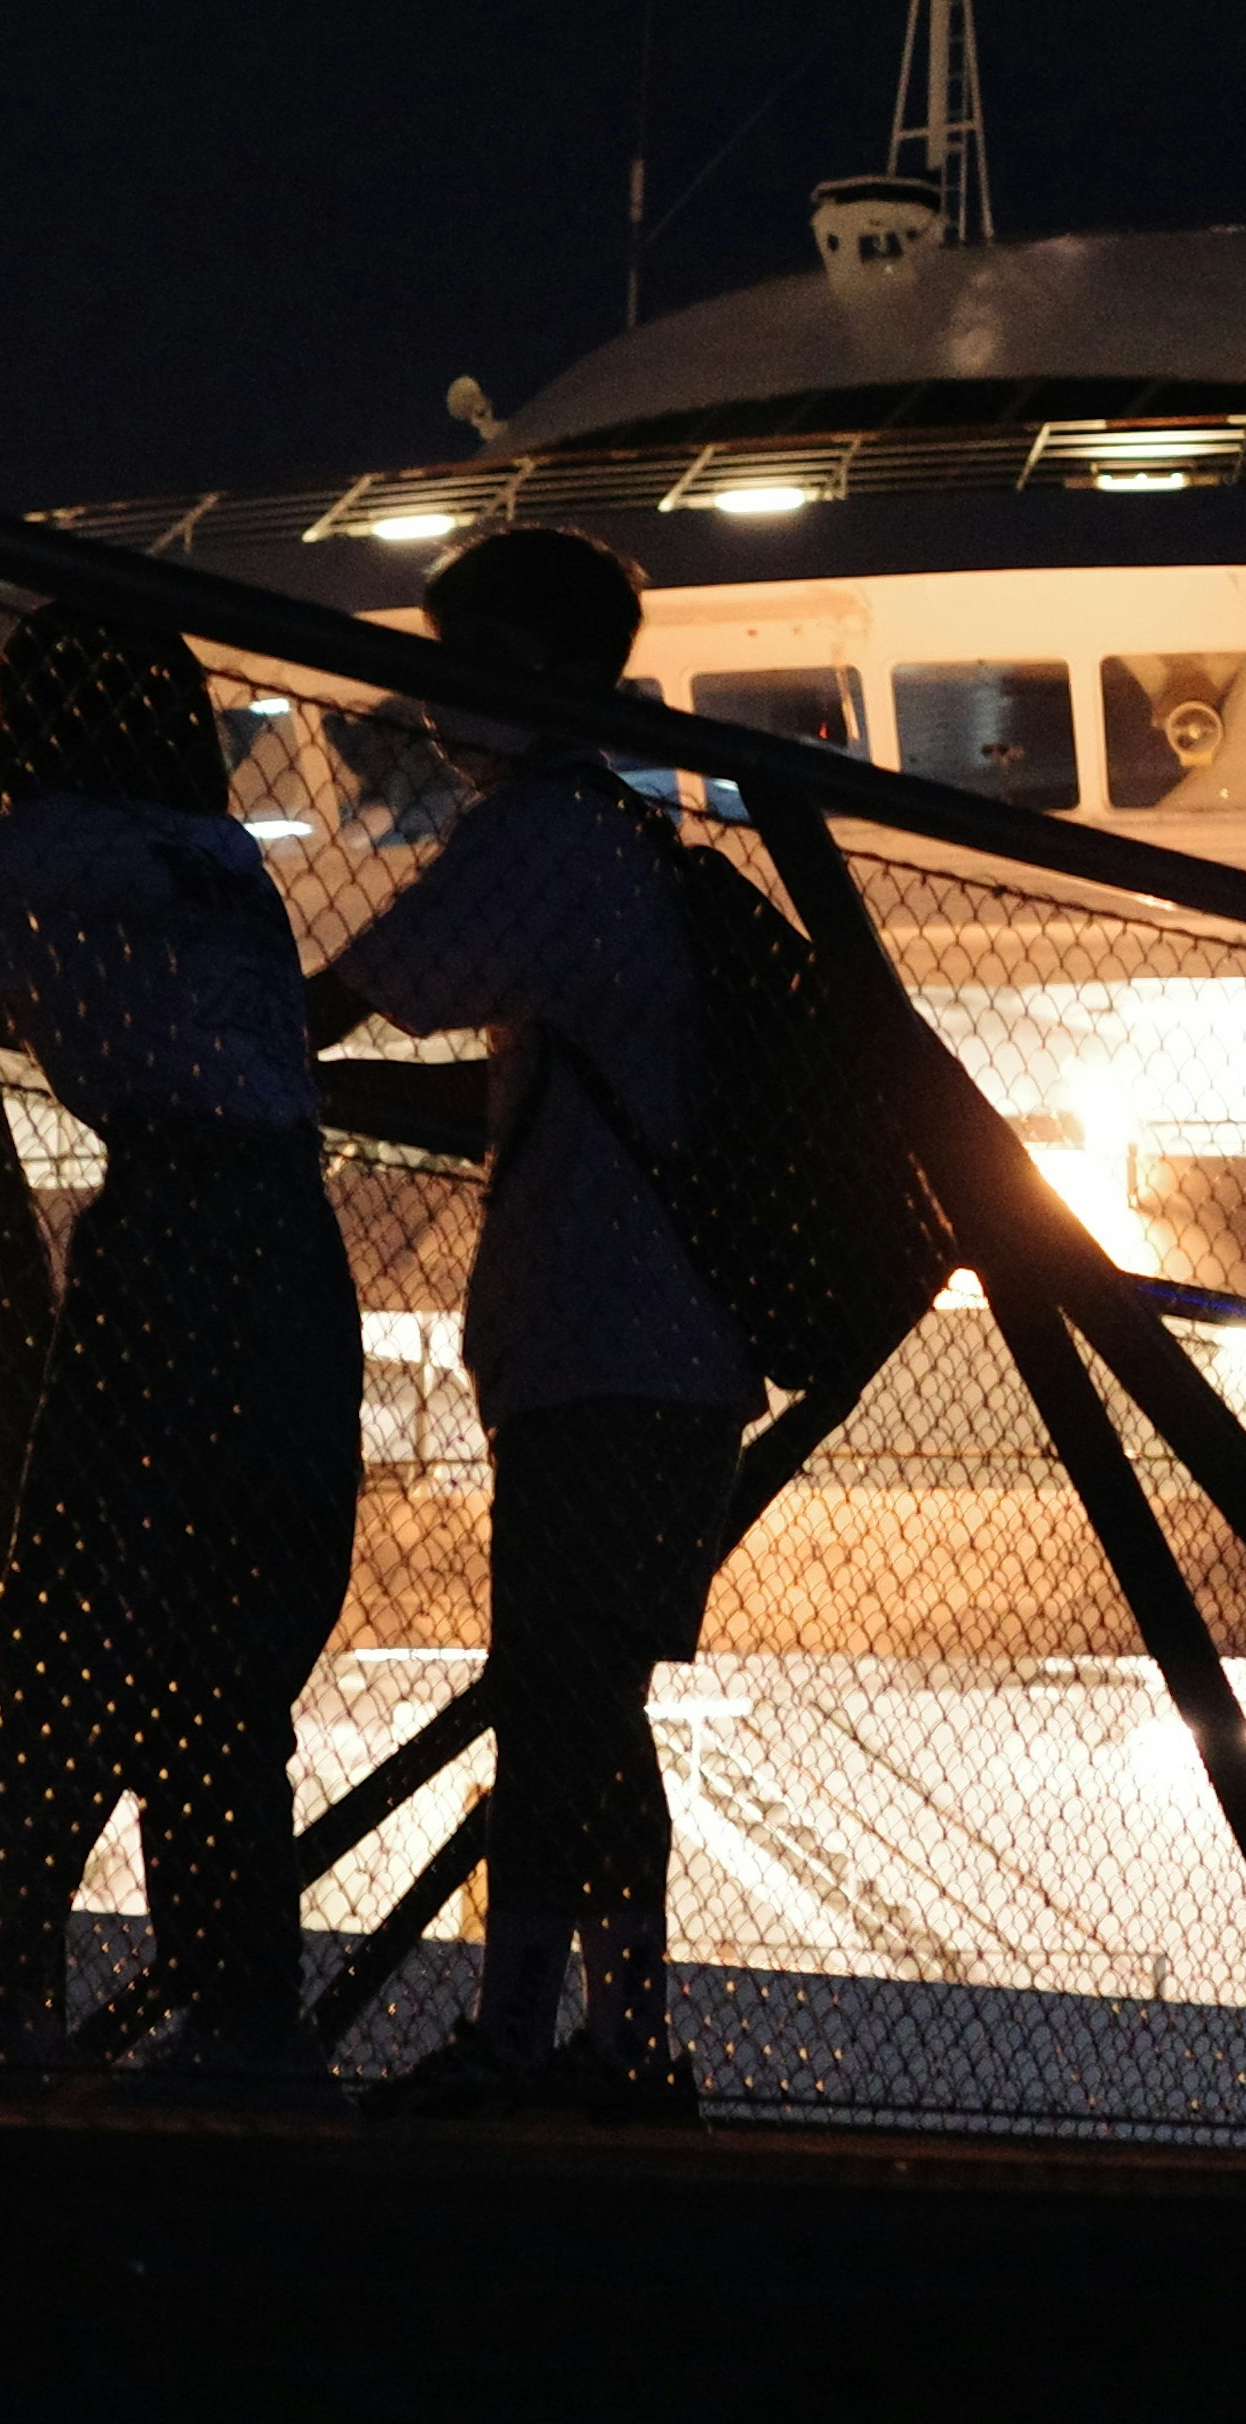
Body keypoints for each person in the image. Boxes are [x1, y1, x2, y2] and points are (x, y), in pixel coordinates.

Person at [0, 604, 361, 2100]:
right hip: (297, 1257)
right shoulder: (225, 860)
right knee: (229, 1667)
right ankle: (245, 2029)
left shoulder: (55, 841)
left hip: (172, 1234)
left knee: (67, 1633)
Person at [305, 526, 762, 2124]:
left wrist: (225, 1056)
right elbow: (516, 1073)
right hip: (678, 1357)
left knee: (555, 1706)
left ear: (552, 676)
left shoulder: (546, 833)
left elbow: (350, 991)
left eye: (468, 668)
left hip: (600, 1358)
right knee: (592, 1709)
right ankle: (623, 2042)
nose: (438, 708)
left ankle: (519, 2046)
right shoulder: (624, 846)